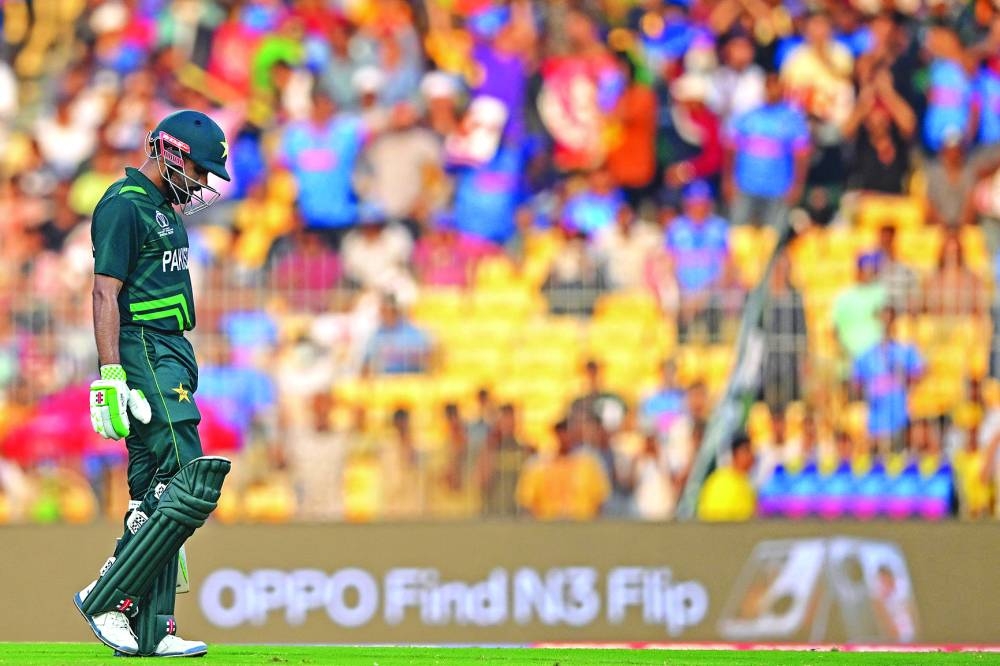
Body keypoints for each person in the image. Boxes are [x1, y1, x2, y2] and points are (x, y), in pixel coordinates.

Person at [77, 110, 233, 657]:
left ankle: (153, 627)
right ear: (169, 152)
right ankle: (107, 596)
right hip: (144, 347)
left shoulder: (164, 207)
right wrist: (112, 374)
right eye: (199, 166)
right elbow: (103, 293)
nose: (204, 181)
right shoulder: (124, 205)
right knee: (192, 478)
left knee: (156, 492)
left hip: (170, 350)